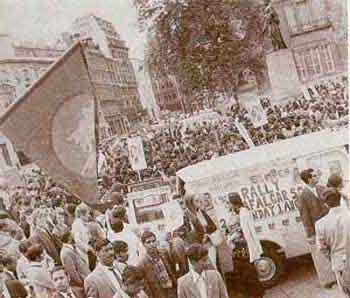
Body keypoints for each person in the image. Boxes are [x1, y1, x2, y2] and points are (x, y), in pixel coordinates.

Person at [297, 169, 335, 287]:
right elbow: (305, 216)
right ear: (308, 179)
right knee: (324, 255)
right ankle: (329, 280)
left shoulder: (322, 188)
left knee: (336, 250)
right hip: (318, 229)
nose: (316, 177)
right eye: (314, 176)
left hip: (331, 225)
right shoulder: (303, 196)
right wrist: (310, 234)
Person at [228, 193, 265, 298]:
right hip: (243, 247)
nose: (229, 205)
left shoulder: (244, 212)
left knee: (249, 272)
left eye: (229, 203)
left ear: (234, 203)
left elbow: (247, 231)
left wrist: (233, 236)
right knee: (247, 272)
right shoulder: (239, 212)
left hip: (246, 247)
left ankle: (257, 293)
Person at [316, 189, 350, 297]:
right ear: (340, 200)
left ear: (326, 204)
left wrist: (332, 257)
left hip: (339, 263)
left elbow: (322, 248)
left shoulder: (320, 224)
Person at [137, 231, 176, 298]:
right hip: (160, 295)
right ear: (143, 244)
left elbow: (172, 269)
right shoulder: (142, 265)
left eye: (153, 241)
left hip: (172, 290)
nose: (152, 244)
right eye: (148, 242)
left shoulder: (164, 253)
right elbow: (146, 287)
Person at [60, 231, 90, 297]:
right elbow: (72, 272)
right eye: (72, 235)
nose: (74, 237)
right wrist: (82, 283)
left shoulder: (71, 248)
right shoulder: (65, 253)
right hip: (84, 282)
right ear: (69, 238)